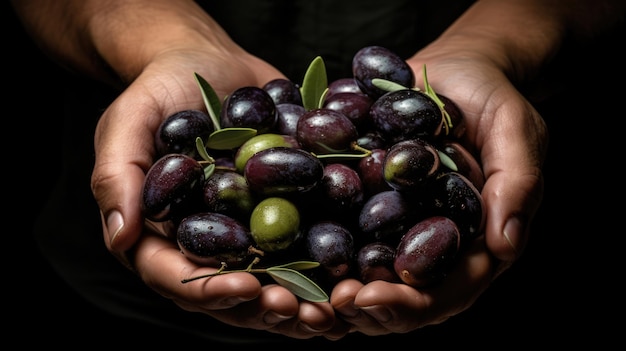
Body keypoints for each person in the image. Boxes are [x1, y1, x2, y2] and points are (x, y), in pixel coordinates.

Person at [11, 0, 625, 346]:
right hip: (128, 311)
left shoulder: (372, 157)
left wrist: (498, 44)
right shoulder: (258, 163)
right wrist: (161, 43)